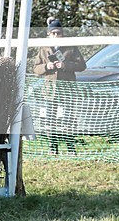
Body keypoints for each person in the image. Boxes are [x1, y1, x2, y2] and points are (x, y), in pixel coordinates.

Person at [33, 17, 87, 154]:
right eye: (53, 33)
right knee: (50, 120)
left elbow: (82, 65)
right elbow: (35, 69)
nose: (56, 35)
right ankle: (53, 147)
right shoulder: (44, 49)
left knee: (69, 119)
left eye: (58, 33)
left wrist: (65, 65)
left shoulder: (71, 47)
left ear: (63, 34)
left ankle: (70, 147)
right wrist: (46, 66)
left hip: (67, 90)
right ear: (48, 34)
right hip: (50, 91)